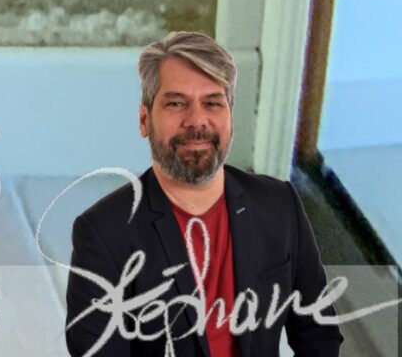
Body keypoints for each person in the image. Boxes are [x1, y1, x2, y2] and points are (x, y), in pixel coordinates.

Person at [65, 30, 343, 355]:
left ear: (230, 117)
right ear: (144, 120)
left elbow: (319, 335)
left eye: (212, 103)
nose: (197, 120)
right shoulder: (103, 233)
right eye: (176, 103)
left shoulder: (279, 204)